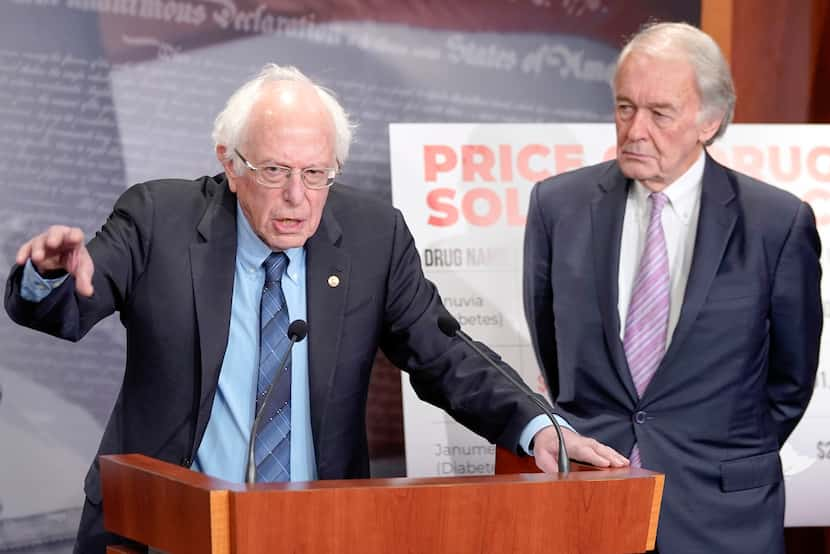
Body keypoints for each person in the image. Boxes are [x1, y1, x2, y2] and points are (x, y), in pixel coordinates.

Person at [5, 64, 627, 553]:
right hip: (163, 529)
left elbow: (444, 353)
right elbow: (68, 311)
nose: (298, 198)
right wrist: (47, 276)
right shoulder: (157, 219)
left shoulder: (371, 235)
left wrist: (538, 427)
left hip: (318, 532)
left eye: (317, 172)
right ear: (229, 160)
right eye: (274, 170)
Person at [523, 21, 822, 553]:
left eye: (660, 113)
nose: (636, 129)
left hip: (723, 514)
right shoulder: (557, 207)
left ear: (710, 120)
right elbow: (552, 345)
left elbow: (790, 380)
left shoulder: (776, 223)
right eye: (624, 107)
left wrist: (718, 451)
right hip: (591, 503)